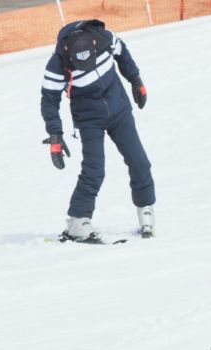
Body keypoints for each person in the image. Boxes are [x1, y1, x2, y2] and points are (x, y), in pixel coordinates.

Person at [39, 19, 156, 242]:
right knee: (94, 169)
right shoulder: (58, 63)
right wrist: (55, 134)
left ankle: (146, 209)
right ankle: (77, 221)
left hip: (119, 109)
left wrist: (135, 79)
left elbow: (123, 54)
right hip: (88, 118)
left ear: (94, 45)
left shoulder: (104, 39)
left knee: (139, 161)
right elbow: (49, 100)